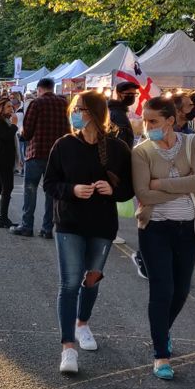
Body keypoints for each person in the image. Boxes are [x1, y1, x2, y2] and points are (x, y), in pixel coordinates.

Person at [44, 92, 134, 374]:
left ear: (94, 113)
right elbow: (50, 183)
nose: (75, 113)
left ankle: (82, 323)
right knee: (70, 283)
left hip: (102, 225)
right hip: (69, 223)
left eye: (80, 109)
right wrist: (72, 190)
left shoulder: (118, 148)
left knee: (92, 280)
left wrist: (112, 190)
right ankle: (68, 348)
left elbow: (129, 189)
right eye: (74, 109)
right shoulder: (64, 144)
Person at [132, 97, 195, 381]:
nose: (148, 125)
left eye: (153, 120)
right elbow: (143, 193)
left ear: (170, 120)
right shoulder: (142, 151)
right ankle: (160, 354)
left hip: (188, 230)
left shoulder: (194, 143)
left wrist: (161, 185)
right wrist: (183, 187)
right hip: (154, 228)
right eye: (145, 120)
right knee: (162, 290)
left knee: (181, 290)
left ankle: (162, 331)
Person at [12, 78, 70, 239]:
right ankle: (47, 228)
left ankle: (27, 225)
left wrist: (22, 134)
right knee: (51, 192)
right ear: (52, 88)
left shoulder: (36, 103)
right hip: (57, 156)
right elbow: (69, 129)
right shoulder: (64, 103)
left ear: (39, 89)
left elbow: (27, 131)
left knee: (30, 190)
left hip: (36, 153)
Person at [0, 98, 18, 227]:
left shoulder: (3, 121)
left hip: (3, 158)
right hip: (2, 159)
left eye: (12, 106)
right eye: (8, 107)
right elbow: (6, 136)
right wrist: (14, 125)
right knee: (7, 187)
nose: (12, 109)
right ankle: (2, 218)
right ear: (0, 108)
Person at [110, 82, 139, 148]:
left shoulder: (120, 111)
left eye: (134, 94)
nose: (131, 97)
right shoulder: (117, 113)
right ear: (118, 94)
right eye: (128, 94)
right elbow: (121, 140)